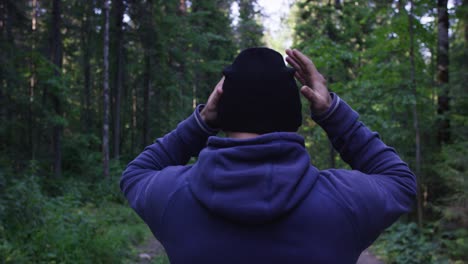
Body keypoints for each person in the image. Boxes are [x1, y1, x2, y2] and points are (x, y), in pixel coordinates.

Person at [121, 48, 416, 263]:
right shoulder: (345, 201)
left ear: (223, 111)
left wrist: (202, 122)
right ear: (293, 114)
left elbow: (136, 174)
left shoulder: (173, 197)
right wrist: (332, 113)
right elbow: (400, 182)